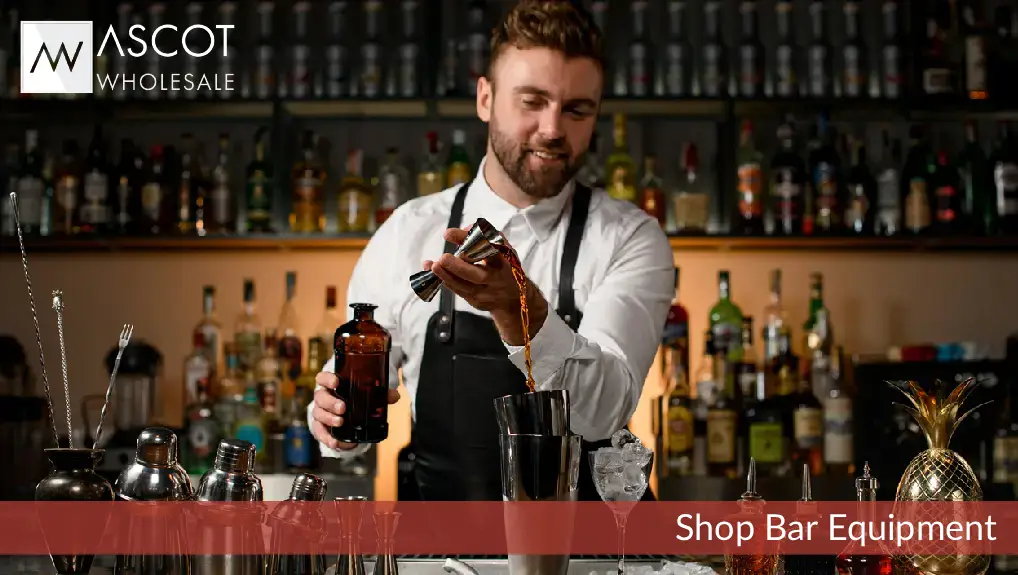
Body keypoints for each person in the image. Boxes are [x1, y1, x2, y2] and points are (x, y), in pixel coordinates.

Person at [309, 0, 674, 502]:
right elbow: (353, 399)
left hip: (585, 541)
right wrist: (334, 419)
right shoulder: (407, 233)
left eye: (576, 109)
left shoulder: (629, 238)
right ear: (485, 98)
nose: (552, 129)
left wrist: (520, 311)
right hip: (442, 540)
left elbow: (602, 414)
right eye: (532, 101)